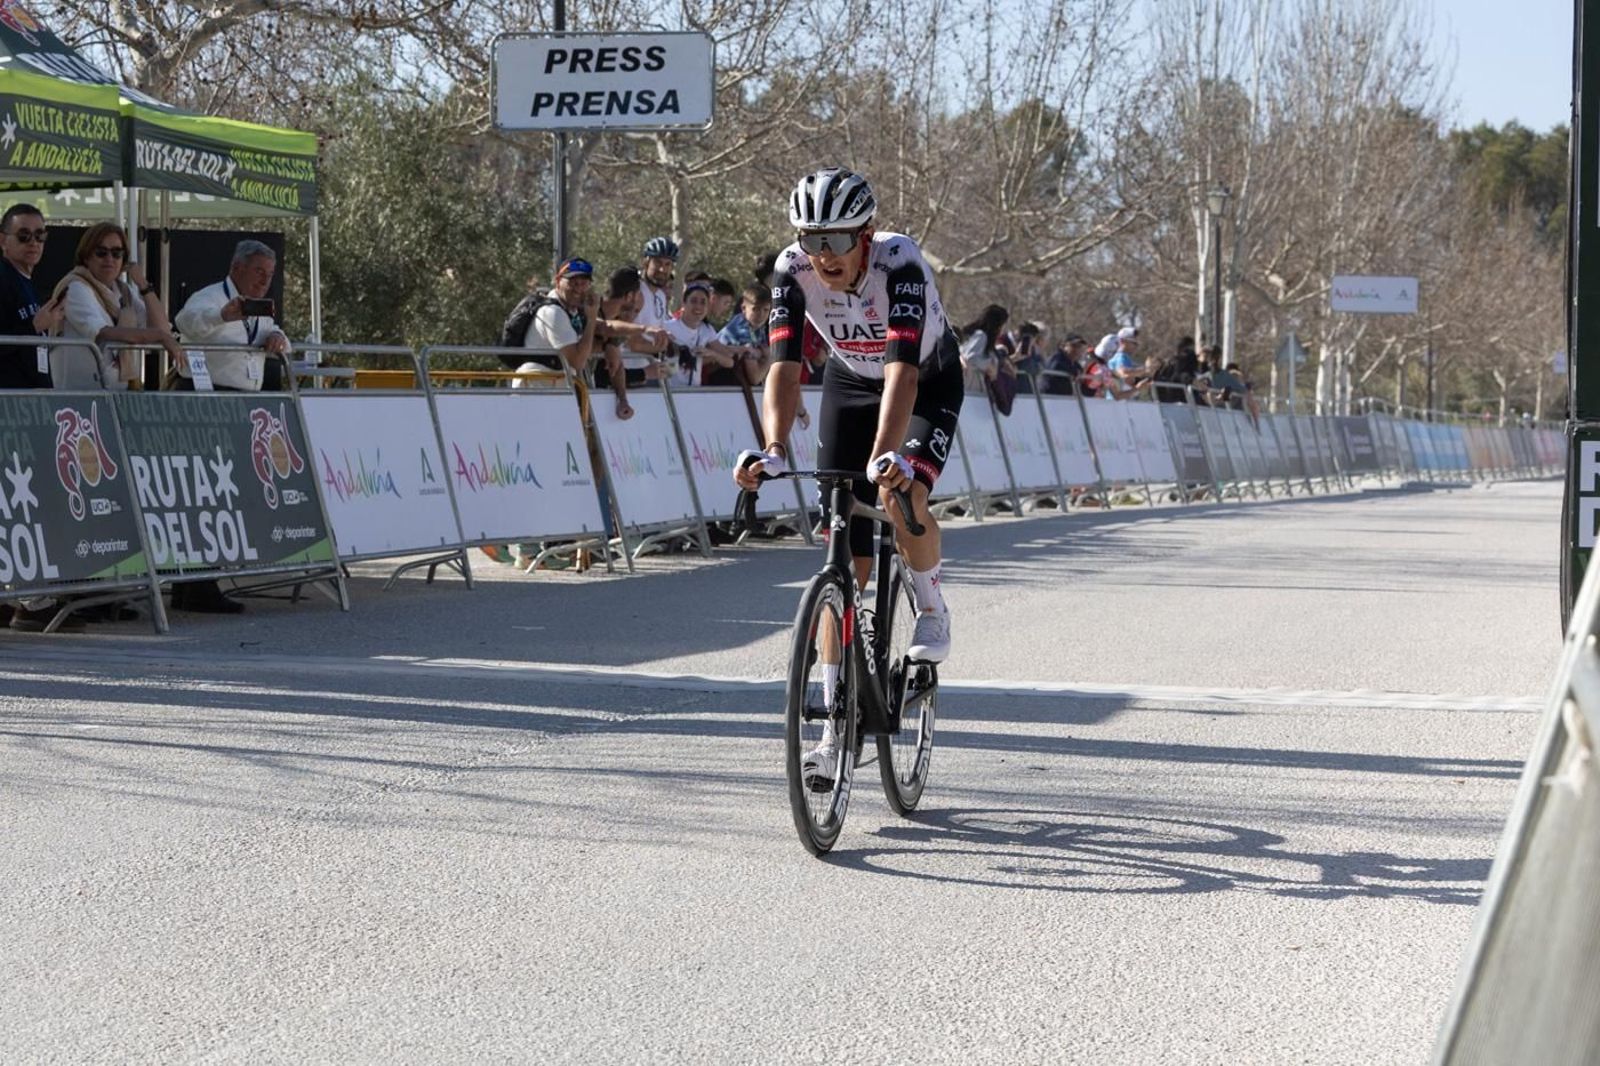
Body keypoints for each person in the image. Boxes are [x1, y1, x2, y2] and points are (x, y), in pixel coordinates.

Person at [734, 166, 964, 782]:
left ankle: (932, 607)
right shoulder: (793, 268)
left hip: (923, 383)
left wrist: (886, 457)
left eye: (835, 241)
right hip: (848, 383)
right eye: (812, 240)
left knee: (900, 492)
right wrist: (775, 446)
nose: (823, 256)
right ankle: (835, 732)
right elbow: (782, 367)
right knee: (845, 566)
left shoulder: (901, 265)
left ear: (865, 235)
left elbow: (904, 375)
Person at [52, 222, 183, 391]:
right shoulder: (75, 287)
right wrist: (159, 336)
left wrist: (143, 284)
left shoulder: (124, 291)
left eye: (117, 253)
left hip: (114, 395)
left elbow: (161, 329)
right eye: (101, 252)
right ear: (86, 256)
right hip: (78, 398)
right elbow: (102, 333)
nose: (109, 259)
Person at [172, 239, 291, 392]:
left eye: (270, 274)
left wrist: (277, 335)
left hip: (245, 398)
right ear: (237, 267)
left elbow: (273, 334)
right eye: (259, 272)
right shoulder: (208, 297)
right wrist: (220, 316)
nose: (265, 281)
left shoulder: (260, 307)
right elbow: (184, 322)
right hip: (202, 396)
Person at [0, 204, 63, 390]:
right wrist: (35, 326)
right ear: (3, 241)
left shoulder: (27, 282)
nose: (33, 242)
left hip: (32, 399)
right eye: (24, 236)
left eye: (40, 236)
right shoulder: (3, 279)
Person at [515, 256, 600, 380]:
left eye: (584, 284)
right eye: (573, 283)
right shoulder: (553, 312)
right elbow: (577, 362)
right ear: (557, 282)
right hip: (538, 388)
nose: (579, 289)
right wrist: (591, 318)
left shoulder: (572, 311)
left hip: (553, 387)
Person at [663, 280, 737, 387]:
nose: (698, 307)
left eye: (703, 302)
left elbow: (730, 362)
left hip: (694, 392)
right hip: (670, 391)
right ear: (684, 303)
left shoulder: (706, 329)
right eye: (693, 301)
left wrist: (712, 354)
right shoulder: (668, 327)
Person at [714, 283, 773, 387]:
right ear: (743, 308)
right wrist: (772, 358)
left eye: (766, 310)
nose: (761, 315)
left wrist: (763, 355)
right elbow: (754, 378)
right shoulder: (742, 328)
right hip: (719, 378)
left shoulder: (758, 327)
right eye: (756, 309)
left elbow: (764, 353)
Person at [958, 304, 1007, 391]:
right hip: (970, 387)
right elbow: (971, 359)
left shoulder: (983, 338)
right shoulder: (981, 336)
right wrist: (989, 366)